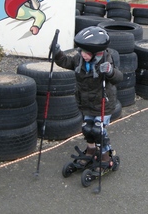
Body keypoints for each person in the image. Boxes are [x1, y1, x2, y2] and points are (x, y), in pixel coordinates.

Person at [53, 26, 123, 170]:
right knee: (86, 128)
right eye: (82, 51)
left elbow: (118, 78)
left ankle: (105, 155)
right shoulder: (79, 59)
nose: (83, 55)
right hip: (86, 103)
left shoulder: (106, 59)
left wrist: (110, 72)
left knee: (98, 130)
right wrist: (57, 53)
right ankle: (90, 151)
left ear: (96, 52)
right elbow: (66, 62)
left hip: (103, 103)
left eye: (86, 52)